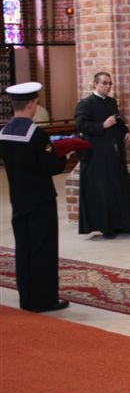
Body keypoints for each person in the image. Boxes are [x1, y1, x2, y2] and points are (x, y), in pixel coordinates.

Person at [0, 82, 69, 312]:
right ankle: (44, 300)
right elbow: (51, 167)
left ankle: (27, 298)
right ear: (31, 104)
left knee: (24, 248)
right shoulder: (35, 134)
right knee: (43, 248)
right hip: (40, 199)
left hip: (18, 198)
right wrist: (64, 155)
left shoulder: (4, 132)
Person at [74, 71, 130, 238]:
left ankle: (121, 224)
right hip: (96, 155)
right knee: (103, 191)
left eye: (110, 83)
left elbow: (117, 120)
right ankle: (106, 227)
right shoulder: (85, 104)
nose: (108, 86)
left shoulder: (111, 102)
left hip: (113, 153)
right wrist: (102, 125)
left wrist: (125, 131)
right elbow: (81, 125)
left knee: (117, 188)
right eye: (104, 83)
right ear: (94, 84)